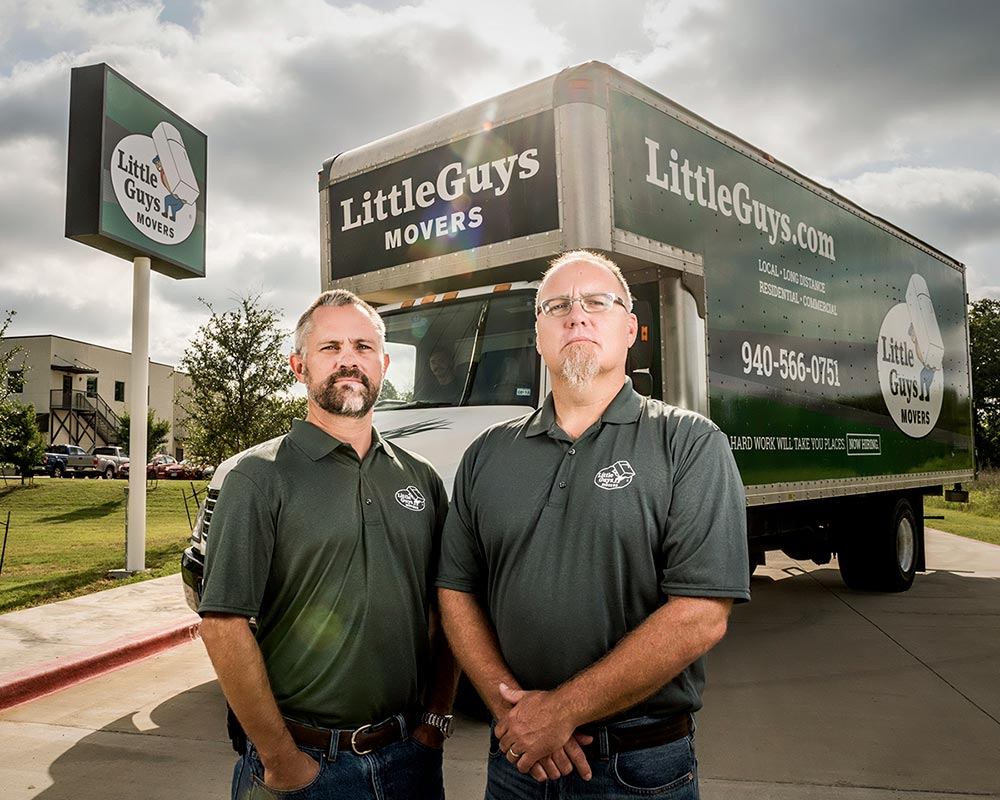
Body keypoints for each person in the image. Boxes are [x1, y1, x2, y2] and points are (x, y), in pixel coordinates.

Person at [437, 250, 750, 798]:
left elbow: (701, 615)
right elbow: (456, 589)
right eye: (556, 306)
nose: (576, 316)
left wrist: (560, 711)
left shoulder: (689, 444)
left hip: (638, 766)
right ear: (538, 335)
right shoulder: (486, 454)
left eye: (597, 303)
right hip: (515, 760)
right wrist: (515, 712)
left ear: (630, 328)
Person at [199, 289, 458, 800]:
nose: (348, 360)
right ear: (299, 366)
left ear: (384, 364)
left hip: (411, 759)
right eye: (330, 347)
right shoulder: (257, 477)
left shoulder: (422, 478)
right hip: (305, 767)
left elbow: (446, 609)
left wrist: (436, 722)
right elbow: (223, 627)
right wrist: (281, 759)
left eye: (363, 347)